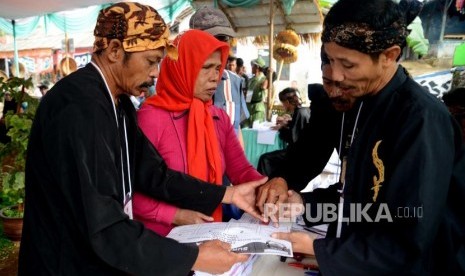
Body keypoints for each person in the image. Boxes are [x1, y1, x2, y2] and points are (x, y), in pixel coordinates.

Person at [18, 3, 269, 275]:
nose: (155, 73)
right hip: (66, 263)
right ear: (115, 51)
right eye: (151, 61)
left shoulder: (118, 101)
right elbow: (105, 226)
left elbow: (152, 174)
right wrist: (192, 257)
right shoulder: (80, 108)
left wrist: (227, 193)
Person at [264, 0, 465, 274]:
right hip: (357, 252)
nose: (335, 76)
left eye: (347, 64)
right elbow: (357, 200)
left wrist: (318, 248)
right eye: (330, 60)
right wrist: (302, 202)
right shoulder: (354, 95)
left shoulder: (420, 120)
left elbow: (408, 235)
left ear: (389, 55)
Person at [133, 29, 264, 236]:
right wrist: (174, 215)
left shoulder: (217, 117)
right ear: (182, 68)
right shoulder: (151, 118)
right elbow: (129, 193)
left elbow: (241, 171)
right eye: (206, 68)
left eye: (217, 68)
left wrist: (269, 188)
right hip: (159, 243)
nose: (215, 77)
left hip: (208, 234)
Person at [189, 6, 250, 145]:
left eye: (223, 38)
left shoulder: (234, 81)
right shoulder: (184, 81)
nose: (218, 45)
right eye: (211, 38)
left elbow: (237, 128)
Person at [257, 87, 310, 175]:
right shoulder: (304, 110)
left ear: (287, 102)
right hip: (304, 151)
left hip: (299, 154)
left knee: (264, 158)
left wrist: (281, 129)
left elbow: (292, 138)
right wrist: (286, 123)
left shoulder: (299, 113)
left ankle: (263, 185)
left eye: (283, 103)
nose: (283, 106)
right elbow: (298, 127)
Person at [243, 57, 268, 128]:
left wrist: (269, 76)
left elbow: (264, 87)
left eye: (252, 65)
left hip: (257, 109)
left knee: (256, 131)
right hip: (248, 109)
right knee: (245, 130)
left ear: (257, 67)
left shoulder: (264, 79)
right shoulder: (251, 80)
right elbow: (248, 96)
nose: (251, 67)